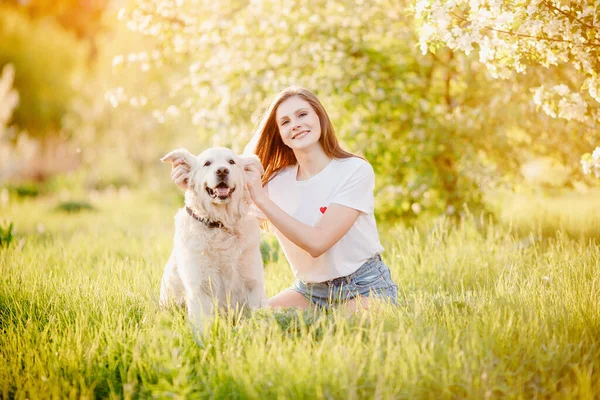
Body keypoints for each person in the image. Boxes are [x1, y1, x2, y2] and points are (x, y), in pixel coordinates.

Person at [170, 86, 397, 311]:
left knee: (337, 331)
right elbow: (226, 214)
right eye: (285, 122)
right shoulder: (275, 182)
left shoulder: (354, 170)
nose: (295, 124)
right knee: (254, 325)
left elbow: (318, 243)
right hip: (309, 291)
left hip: (364, 286)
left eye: (302, 114)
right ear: (280, 133)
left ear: (319, 117)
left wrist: (260, 197)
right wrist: (194, 190)